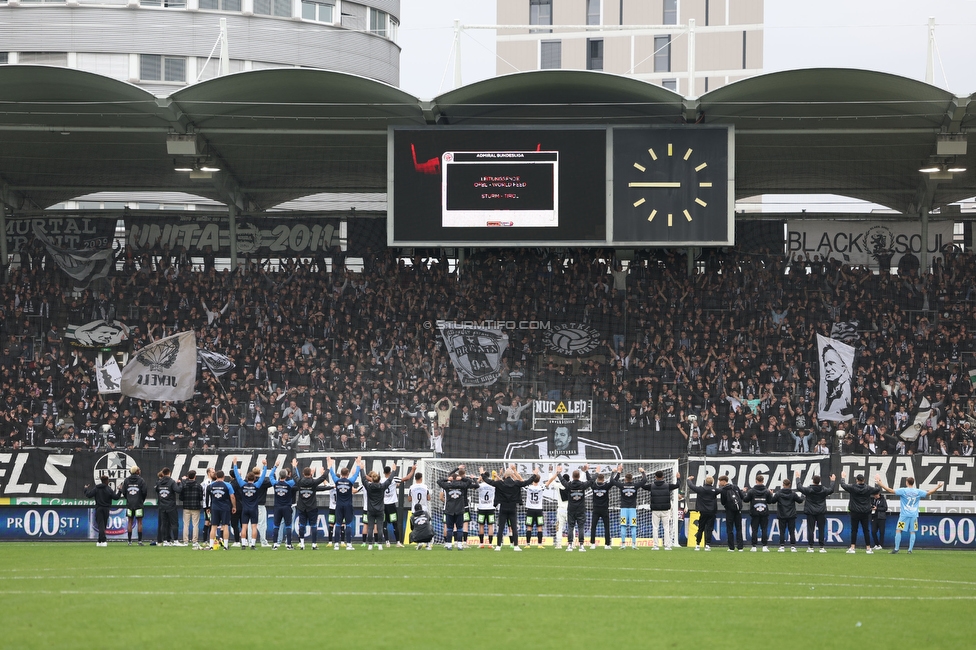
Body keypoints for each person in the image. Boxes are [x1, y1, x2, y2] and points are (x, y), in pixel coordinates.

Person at [875, 474, 944, 554]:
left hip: (904, 516)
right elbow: (929, 493)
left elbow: (890, 490)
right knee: (913, 531)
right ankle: (910, 550)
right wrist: (938, 487)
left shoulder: (903, 490)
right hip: (914, 515)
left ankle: (896, 549)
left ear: (907, 482)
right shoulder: (918, 491)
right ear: (913, 483)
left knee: (898, 530)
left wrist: (881, 484)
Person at [480, 464, 537, 551]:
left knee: (501, 528)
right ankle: (516, 546)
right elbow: (527, 482)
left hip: (503, 507)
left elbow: (489, 481)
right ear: (511, 475)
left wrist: (482, 474)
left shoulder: (500, 483)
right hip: (513, 508)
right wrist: (534, 475)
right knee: (514, 527)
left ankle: (498, 546)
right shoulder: (516, 483)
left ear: (505, 476)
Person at [231, 457, 270, 549]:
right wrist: (265, 466)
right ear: (254, 478)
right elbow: (263, 476)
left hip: (245, 509)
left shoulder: (242, 484)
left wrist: (235, 464)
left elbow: (236, 475)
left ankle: (244, 544)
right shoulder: (257, 485)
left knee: (244, 527)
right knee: (254, 527)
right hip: (254, 509)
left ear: (247, 478)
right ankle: (252, 544)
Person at [295, 458, 332, 550]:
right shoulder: (313, 482)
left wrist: (294, 466)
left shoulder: (299, 482)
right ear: (311, 474)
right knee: (314, 525)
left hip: (301, 507)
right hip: (312, 507)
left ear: (303, 474)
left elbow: (295, 476)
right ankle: (314, 544)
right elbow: (323, 477)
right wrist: (329, 468)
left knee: (302, 525)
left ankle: (302, 544)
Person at [358, 459, 395, 550]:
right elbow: (389, 480)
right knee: (379, 527)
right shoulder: (382, 486)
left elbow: (363, 479)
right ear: (379, 480)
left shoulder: (369, 487)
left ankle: (370, 544)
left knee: (370, 527)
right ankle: (379, 545)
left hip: (370, 510)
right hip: (380, 510)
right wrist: (394, 471)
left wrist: (361, 469)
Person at [840, 471, 880, 554]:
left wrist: (843, 477)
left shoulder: (852, 487)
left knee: (854, 530)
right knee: (866, 530)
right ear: (864, 480)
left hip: (855, 511)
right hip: (865, 512)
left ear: (856, 480)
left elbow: (843, 485)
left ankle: (852, 547)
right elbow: (877, 489)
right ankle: (868, 548)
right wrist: (877, 481)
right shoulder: (868, 488)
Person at [795, 471, 835, 553]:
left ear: (813, 480)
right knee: (821, 529)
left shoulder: (809, 490)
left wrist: (798, 478)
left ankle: (811, 547)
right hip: (821, 511)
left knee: (810, 529)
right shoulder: (823, 490)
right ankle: (821, 547)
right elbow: (831, 490)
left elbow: (799, 487)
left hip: (811, 512)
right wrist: (833, 481)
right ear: (819, 481)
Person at [557, 465, 595, 552]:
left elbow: (562, 481)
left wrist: (558, 473)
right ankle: (581, 546)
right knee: (581, 527)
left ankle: (570, 545)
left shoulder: (569, 485)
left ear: (573, 477)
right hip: (580, 509)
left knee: (570, 527)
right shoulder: (582, 485)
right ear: (578, 476)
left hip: (571, 509)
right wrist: (589, 471)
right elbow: (591, 481)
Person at [437, 465, 474, 550]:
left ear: (451, 478)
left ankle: (449, 544)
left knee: (450, 528)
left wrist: (447, 479)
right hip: (459, 510)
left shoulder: (447, 486)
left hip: (449, 509)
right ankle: (460, 545)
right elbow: (469, 481)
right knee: (460, 528)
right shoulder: (462, 485)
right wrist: (462, 478)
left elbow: (439, 481)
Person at [329, 456, 362, 550]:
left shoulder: (337, 481)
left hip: (338, 505)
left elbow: (331, 473)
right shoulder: (350, 481)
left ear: (341, 474)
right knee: (348, 524)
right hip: (348, 505)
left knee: (338, 524)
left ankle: (336, 544)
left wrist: (330, 465)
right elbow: (356, 474)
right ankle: (349, 545)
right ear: (347, 474)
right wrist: (358, 464)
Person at [642, 469, 680, 550]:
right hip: (665, 509)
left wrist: (643, 475)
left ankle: (655, 545)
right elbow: (677, 485)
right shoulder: (667, 486)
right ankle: (667, 545)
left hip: (655, 510)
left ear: (655, 477)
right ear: (663, 477)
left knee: (655, 527)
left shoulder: (651, 486)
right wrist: (678, 478)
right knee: (666, 528)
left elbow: (643, 486)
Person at [610, 466, 646, 549]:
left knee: (623, 526)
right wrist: (642, 471)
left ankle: (623, 544)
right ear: (632, 479)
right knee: (633, 526)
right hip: (632, 509)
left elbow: (612, 481)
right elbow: (644, 480)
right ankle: (633, 544)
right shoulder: (635, 485)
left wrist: (616, 472)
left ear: (625, 479)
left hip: (624, 509)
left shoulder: (622, 486)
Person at [383, 463, 415, 548]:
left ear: (383, 472)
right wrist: (413, 470)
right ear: (390, 472)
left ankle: (387, 542)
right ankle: (397, 542)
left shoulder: (381, 480)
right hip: (391, 506)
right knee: (394, 523)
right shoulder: (394, 479)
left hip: (383, 506)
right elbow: (407, 478)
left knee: (384, 523)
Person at [768, 478, 804, 552]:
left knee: (782, 531)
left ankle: (782, 546)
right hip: (791, 515)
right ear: (789, 485)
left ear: (783, 485)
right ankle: (793, 546)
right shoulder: (793, 493)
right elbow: (800, 501)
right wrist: (803, 495)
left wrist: (771, 494)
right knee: (792, 531)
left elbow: (772, 501)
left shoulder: (778, 493)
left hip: (782, 515)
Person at [686, 474, 719, 551]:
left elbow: (691, 486)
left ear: (705, 481)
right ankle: (708, 545)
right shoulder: (714, 490)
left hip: (703, 512)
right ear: (712, 482)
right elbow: (723, 490)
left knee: (701, 528)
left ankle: (697, 545)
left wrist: (688, 479)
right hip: (711, 512)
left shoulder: (701, 489)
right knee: (709, 529)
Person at [205, 470, 236, 550]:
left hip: (214, 508)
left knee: (213, 526)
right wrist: (234, 506)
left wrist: (208, 508)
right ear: (223, 476)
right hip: (225, 508)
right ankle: (225, 546)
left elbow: (207, 497)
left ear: (216, 476)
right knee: (225, 526)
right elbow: (232, 497)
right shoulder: (228, 485)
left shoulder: (210, 485)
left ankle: (211, 545)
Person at [269, 464, 297, 550]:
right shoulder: (289, 484)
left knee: (276, 526)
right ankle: (288, 544)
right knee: (288, 526)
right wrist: (295, 467)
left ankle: (275, 544)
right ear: (286, 475)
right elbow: (297, 478)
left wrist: (275, 466)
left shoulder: (275, 483)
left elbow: (270, 476)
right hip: (287, 507)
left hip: (277, 507)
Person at [118, 465, 148, 546]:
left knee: (130, 522)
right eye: (139, 469)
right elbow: (144, 492)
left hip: (129, 504)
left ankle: (129, 541)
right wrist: (141, 500)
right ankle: (139, 541)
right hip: (138, 504)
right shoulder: (141, 480)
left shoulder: (127, 480)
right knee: (139, 522)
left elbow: (123, 492)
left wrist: (128, 499)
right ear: (137, 471)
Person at [743, 475, 773, 552]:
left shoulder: (751, 491)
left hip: (754, 513)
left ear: (756, 481)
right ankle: (764, 546)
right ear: (763, 481)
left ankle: (754, 546)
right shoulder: (767, 491)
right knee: (764, 529)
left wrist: (743, 493)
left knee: (754, 530)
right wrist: (771, 494)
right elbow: (770, 501)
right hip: (764, 512)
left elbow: (745, 500)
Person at [586, 469, 614, 549]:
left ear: (597, 479)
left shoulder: (594, 485)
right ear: (603, 479)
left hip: (596, 509)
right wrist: (614, 472)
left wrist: (587, 471)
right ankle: (607, 545)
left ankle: (592, 544)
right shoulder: (606, 486)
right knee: (606, 527)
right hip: (604, 509)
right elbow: (613, 481)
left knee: (593, 526)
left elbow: (589, 480)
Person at [84, 474, 115, 547]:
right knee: (103, 525)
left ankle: (99, 541)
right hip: (106, 509)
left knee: (101, 525)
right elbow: (116, 497)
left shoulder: (96, 488)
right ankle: (103, 540)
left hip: (99, 508)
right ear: (106, 481)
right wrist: (120, 491)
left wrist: (85, 489)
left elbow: (88, 495)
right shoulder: (109, 489)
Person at [178, 470, 205, 548]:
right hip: (195, 507)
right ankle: (194, 541)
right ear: (195, 476)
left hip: (186, 506)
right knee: (195, 524)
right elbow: (201, 497)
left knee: (186, 524)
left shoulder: (184, 485)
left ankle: (185, 541)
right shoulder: (198, 485)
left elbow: (181, 497)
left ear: (188, 476)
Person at [155, 467, 181, 546]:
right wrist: (180, 484)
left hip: (162, 506)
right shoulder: (171, 481)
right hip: (171, 506)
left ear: (162, 473)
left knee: (164, 524)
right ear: (169, 473)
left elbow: (156, 490)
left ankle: (165, 541)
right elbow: (178, 490)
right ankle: (176, 541)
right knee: (174, 523)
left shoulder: (159, 482)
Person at [717, 475, 744, 552]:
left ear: (723, 481)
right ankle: (740, 547)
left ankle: (731, 547)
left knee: (730, 529)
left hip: (729, 511)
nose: (719, 483)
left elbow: (723, 502)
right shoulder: (735, 487)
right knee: (739, 529)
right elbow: (742, 497)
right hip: (738, 510)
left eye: (720, 481)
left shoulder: (723, 490)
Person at [523, 469, 547, 548]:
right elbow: (549, 481)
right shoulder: (541, 487)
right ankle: (539, 544)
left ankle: (527, 544)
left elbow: (520, 479)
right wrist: (556, 474)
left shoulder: (528, 487)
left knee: (529, 528)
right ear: (539, 480)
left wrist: (514, 472)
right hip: (539, 510)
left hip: (530, 510)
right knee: (539, 528)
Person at [475, 471, 497, 548]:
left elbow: (474, 486)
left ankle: (481, 543)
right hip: (490, 508)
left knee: (481, 525)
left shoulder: (480, 485)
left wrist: (479, 479)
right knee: (490, 526)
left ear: (482, 477)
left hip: (482, 508)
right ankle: (490, 544)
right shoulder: (493, 485)